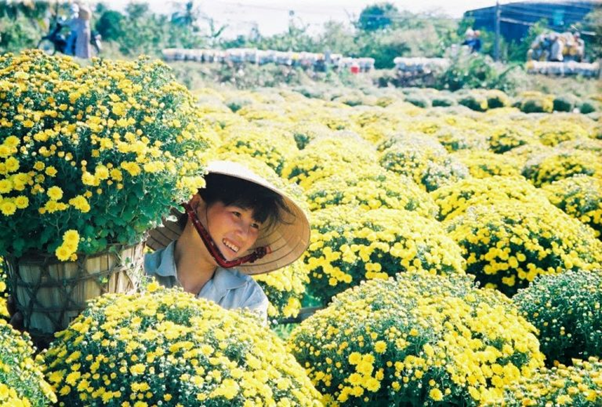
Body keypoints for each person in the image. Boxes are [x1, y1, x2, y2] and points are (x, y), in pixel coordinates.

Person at [144, 161, 311, 322]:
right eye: (237, 214)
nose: (244, 235)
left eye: (254, 225)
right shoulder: (136, 273)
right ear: (195, 204)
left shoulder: (248, 298)